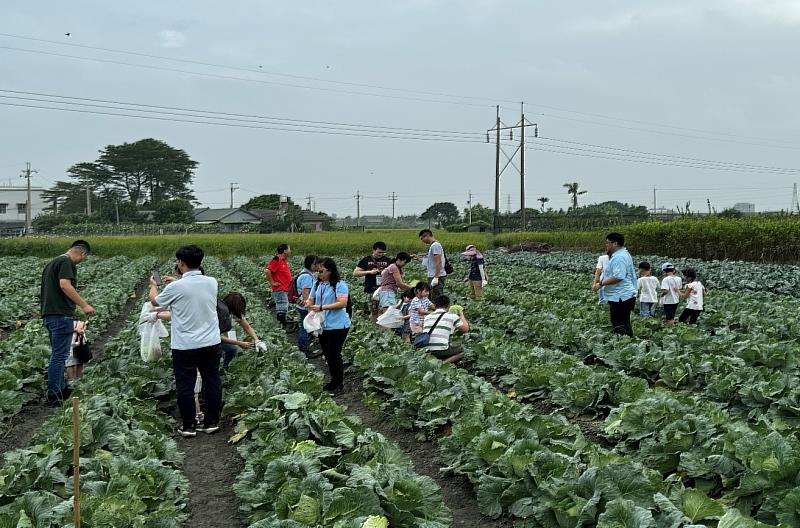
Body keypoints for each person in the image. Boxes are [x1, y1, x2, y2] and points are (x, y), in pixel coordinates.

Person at [150, 245, 222, 438]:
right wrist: (176, 281)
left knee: (185, 385)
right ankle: (211, 422)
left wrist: (154, 285)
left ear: (181, 263)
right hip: (211, 341)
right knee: (212, 381)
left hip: (185, 345)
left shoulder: (176, 287)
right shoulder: (211, 282)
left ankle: (189, 426)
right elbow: (192, 290)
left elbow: (156, 302)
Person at [40, 240, 95, 404]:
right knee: (60, 355)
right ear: (83, 253)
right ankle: (54, 394)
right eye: (84, 258)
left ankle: (61, 388)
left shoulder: (52, 263)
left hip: (49, 315)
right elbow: (64, 285)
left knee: (58, 354)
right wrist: (84, 305)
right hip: (60, 315)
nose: (82, 261)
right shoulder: (66, 262)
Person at [307, 258, 351, 395]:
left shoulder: (340, 285)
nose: (318, 274)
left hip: (338, 326)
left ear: (330, 270)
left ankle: (339, 384)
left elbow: (342, 303)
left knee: (334, 355)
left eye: (321, 271)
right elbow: (311, 298)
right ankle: (333, 381)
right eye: (317, 271)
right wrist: (308, 303)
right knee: (327, 354)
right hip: (323, 325)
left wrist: (322, 307)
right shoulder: (317, 284)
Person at [592, 233, 637, 337]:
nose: (606, 245)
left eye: (608, 243)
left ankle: (624, 344)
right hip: (622, 295)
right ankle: (626, 343)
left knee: (620, 325)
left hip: (621, 296)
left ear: (615, 243)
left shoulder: (619, 257)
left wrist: (601, 284)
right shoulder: (622, 254)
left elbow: (618, 276)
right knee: (622, 323)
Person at [218, 292, 266, 369]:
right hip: (207, 340)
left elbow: (247, 327)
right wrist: (239, 343)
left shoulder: (231, 311)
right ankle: (220, 369)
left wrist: (257, 341)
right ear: (234, 307)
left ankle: (224, 367)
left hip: (216, 336)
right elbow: (217, 337)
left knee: (231, 348)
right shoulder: (220, 314)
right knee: (229, 350)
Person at [421, 295, 469, 363]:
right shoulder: (452, 316)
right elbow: (465, 329)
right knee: (462, 351)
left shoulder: (427, 317)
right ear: (448, 306)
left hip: (427, 350)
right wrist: (461, 314)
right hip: (441, 350)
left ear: (434, 305)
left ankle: (436, 362)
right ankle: (442, 364)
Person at [353, 242, 391, 322]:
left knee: (383, 311)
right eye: (379, 252)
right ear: (373, 250)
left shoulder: (387, 260)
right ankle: (374, 328)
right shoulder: (366, 260)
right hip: (371, 289)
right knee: (374, 311)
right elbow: (355, 273)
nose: (381, 254)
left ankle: (382, 330)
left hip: (385, 290)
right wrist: (369, 272)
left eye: (383, 252)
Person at [295, 255, 320, 358]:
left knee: (304, 326)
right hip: (305, 307)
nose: (318, 266)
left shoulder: (306, 273)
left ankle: (304, 347)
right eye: (317, 264)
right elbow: (306, 293)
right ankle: (304, 350)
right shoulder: (307, 276)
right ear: (312, 265)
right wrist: (310, 308)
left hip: (301, 306)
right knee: (304, 327)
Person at [265, 244, 292, 328]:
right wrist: (272, 282)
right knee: (282, 306)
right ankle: (282, 326)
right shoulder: (277, 259)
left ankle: (282, 325)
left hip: (283, 289)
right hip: (280, 289)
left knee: (283, 306)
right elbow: (267, 270)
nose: (290, 251)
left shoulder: (283, 260)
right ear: (284, 251)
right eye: (289, 249)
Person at [419, 229, 447, 300]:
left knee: (437, 297)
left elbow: (438, 262)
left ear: (427, 236)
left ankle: (439, 310)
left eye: (422, 238)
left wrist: (436, 277)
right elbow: (430, 262)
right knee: (432, 296)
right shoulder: (432, 246)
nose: (422, 241)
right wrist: (417, 258)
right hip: (433, 275)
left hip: (437, 275)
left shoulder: (435, 245)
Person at [65, 320, 88, 389]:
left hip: (79, 340)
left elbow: (85, 323)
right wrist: (75, 329)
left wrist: (82, 328)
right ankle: (71, 382)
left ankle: (78, 381)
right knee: (70, 362)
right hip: (69, 341)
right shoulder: (66, 316)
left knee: (80, 360)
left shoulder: (80, 316)